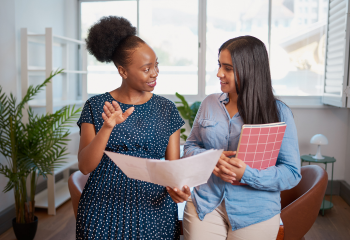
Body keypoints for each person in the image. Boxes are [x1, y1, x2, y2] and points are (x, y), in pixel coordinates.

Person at [76, 16, 190, 240]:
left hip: (154, 209)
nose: (155, 73)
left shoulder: (167, 109)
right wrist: (107, 127)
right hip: (103, 208)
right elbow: (85, 166)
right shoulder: (96, 106)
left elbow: (173, 171)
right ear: (123, 71)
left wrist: (179, 189)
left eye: (156, 65)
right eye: (147, 68)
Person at [182, 36, 301, 240]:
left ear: (250, 69)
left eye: (227, 68)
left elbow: (291, 173)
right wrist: (211, 158)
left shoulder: (278, 113)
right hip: (206, 203)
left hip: (256, 212)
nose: (219, 73)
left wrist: (247, 174)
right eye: (219, 65)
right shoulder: (209, 103)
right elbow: (190, 146)